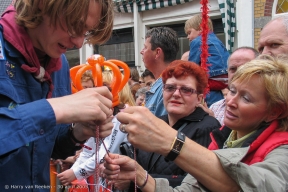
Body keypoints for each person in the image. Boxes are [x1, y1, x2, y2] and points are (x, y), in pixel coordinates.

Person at [103, 55, 288, 192]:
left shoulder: (281, 150)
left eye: (246, 98)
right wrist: (139, 175)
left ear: (274, 112)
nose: (230, 101)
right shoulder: (223, 138)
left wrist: (171, 142)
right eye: (232, 91)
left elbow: (260, 184)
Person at [0, 0, 114, 190]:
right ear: (43, 4)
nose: (78, 43)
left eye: (85, 33)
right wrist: (54, 108)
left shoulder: (59, 65)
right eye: (75, 26)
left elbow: (46, 148)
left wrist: (77, 133)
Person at [126, 60, 220, 191]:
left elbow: (196, 184)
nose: (176, 94)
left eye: (186, 90)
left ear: (199, 99)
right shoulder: (154, 122)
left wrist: (135, 179)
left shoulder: (208, 127)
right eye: (170, 88)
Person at [57, 70, 128, 191]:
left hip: (118, 179)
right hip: (99, 180)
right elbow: (88, 150)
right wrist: (73, 170)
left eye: (105, 88)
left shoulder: (123, 117)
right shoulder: (100, 115)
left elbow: (105, 153)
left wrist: (75, 173)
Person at [202, 47, 259, 125]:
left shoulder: (262, 109)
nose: (237, 74)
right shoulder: (215, 107)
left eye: (244, 68)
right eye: (233, 69)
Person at [185, 14, 230, 107]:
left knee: (207, 102)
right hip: (224, 78)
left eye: (189, 32)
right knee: (217, 105)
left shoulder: (198, 41)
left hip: (210, 78)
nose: (188, 37)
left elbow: (192, 66)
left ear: (201, 29)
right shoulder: (217, 41)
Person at [141, 27, 179, 117]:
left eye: (145, 47)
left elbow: (160, 128)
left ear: (157, 52)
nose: (141, 51)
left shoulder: (168, 86)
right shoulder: (162, 83)